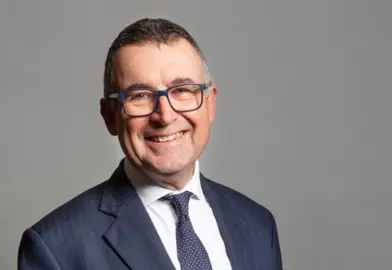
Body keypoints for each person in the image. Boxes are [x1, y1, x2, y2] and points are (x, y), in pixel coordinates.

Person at [18, 18, 283, 270]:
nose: (165, 116)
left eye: (182, 90)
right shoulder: (55, 249)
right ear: (110, 116)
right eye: (140, 95)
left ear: (210, 104)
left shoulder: (257, 224)